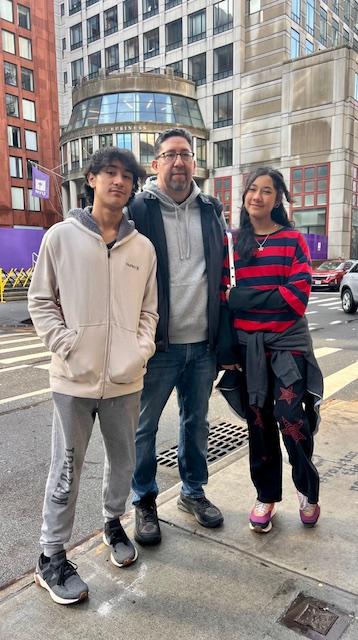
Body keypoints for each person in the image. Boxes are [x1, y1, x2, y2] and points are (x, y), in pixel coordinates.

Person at [28, 147, 158, 604]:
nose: (118, 181)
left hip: (126, 379)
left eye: (126, 176)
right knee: (66, 467)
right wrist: (67, 345)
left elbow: (149, 311)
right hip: (73, 379)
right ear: (91, 179)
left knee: (123, 463)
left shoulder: (142, 248)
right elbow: (41, 300)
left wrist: (138, 351)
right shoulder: (61, 237)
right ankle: (50, 556)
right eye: (109, 173)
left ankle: (112, 523)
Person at [127, 128, 226, 545]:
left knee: (196, 422)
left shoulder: (210, 208)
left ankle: (193, 492)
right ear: (156, 164)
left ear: (194, 163)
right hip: (158, 345)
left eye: (186, 154)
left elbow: (221, 272)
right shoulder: (139, 208)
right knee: (144, 427)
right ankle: (144, 500)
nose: (179, 162)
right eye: (169, 155)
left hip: (202, 343)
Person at [217, 166, 323, 534]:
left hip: (287, 349)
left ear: (278, 199)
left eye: (266, 191)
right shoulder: (232, 244)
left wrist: (244, 298)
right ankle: (266, 496)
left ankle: (307, 491)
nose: (256, 196)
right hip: (250, 352)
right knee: (259, 426)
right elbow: (222, 297)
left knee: (292, 421)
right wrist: (249, 301)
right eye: (251, 189)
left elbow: (296, 300)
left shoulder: (293, 241)